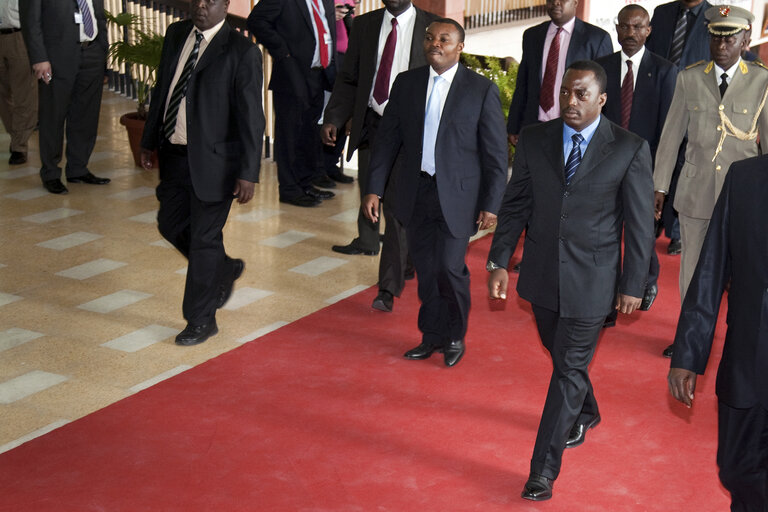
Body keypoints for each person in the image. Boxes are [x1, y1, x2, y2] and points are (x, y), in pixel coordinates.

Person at [487, 61, 654, 501]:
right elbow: (516, 201)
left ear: (601, 99)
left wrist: (634, 283)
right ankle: (588, 409)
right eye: (565, 92)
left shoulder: (629, 148)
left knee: (568, 371)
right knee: (562, 356)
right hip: (542, 276)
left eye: (581, 94)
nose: (570, 102)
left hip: (594, 281)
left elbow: (639, 226)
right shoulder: (536, 138)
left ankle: (542, 470)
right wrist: (499, 259)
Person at [362, 19, 507, 367]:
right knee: (426, 269)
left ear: (460, 47)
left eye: (444, 39)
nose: (435, 44)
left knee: (449, 267)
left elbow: (496, 155)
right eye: (429, 38)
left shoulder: (479, 90)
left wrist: (491, 204)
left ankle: (455, 334)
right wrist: (374, 190)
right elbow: (387, 143)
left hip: (459, 197)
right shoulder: (407, 83)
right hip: (416, 191)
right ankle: (431, 336)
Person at [140, 0, 265, 346]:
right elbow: (163, 89)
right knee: (170, 223)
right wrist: (149, 140)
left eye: (210, 1)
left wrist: (248, 172)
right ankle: (222, 268)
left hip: (216, 163)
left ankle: (201, 319)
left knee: (204, 239)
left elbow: (252, 117)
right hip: (174, 154)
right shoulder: (176, 34)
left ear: (226, 6)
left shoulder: (241, 51)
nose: (201, 6)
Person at [653, 6, 768, 358]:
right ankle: (691, 341)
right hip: (696, 191)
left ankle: (742, 340)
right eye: (716, 36)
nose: (721, 44)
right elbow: (671, 135)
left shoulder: (762, 82)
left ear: (745, 40)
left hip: (744, 198)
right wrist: (658, 186)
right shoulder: (690, 78)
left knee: (746, 272)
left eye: (730, 37)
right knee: (693, 270)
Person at [321, 0, 437, 312]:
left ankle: (388, 285)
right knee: (373, 195)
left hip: (412, 130)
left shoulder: (433, 26)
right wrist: (333, 116)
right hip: (373, 124)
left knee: (398, 208)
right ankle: (396, 263)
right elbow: (349, 77)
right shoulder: (365, 25)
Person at [667, 156, 768, 512]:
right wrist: (688, 354)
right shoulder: (745, 178)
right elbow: (711, 267)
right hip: (747, 359)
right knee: (735, 469)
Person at [595, 4, 677, 317]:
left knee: (641, 229)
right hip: (603, 166)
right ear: (616, 29)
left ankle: (644, 280)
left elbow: (667, 131)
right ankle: (607, 300)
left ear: (648, 30)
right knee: (606, 231)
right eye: (625, 27)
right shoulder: (600, 68)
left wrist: (660, 180)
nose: (630, 33)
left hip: (645, 167)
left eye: (638, 27)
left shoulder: (665, 71)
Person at [248, 0, 337, 207]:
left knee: (308, 134)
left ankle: (305, 183)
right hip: (292, 74)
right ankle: (288, 188)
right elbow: (256, 21)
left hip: (319, 73)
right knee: (289, 134)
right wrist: (282, 52)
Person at [20, 0, 111, 194]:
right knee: (53, 115)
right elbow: (30, 22)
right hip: (55, 58)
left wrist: (103, 51)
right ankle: (51, 173)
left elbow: (99, 17)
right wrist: (39, 58)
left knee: (86, 114)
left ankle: (78, 168)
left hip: (92, 52)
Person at [646, 0, 712, 259]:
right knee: (655, 160)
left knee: (685, 165)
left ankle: (677, 232)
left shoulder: (713, 17)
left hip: (695, 104)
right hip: (658, 100)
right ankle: (651, 220)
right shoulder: (662, 13)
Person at [506, 0, 612, 146]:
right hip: (536, 126)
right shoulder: (532, 35)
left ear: (575, 2)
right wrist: (514, 125)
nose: (556, 3)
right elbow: (523, 83)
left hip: (577, 130)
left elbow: (603, 90)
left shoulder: (596, 38)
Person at [0, 0, 37, 166]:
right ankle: (15, 135)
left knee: (24, 93)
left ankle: (19, 146)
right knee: (2, 95)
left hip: (20, 37)